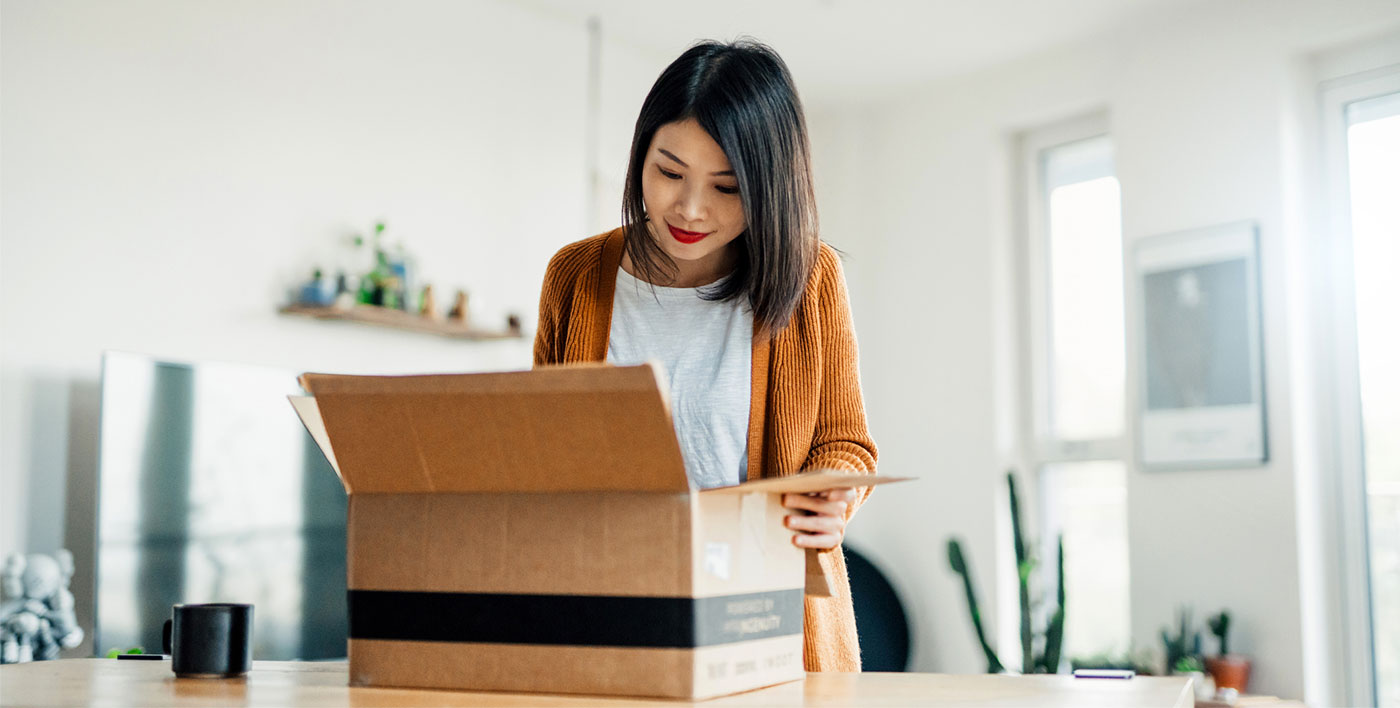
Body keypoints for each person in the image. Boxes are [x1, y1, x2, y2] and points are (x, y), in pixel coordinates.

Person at [532, 38, 878, 672]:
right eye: (669, 172)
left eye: (727, 187)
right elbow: (545, 449)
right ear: (640, 158)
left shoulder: (811, 278)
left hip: (766, 621)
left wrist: (830, 503)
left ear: (770, 188)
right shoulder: (576, 278)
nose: (691, 209)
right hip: (613, 614)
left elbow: (845, 444)